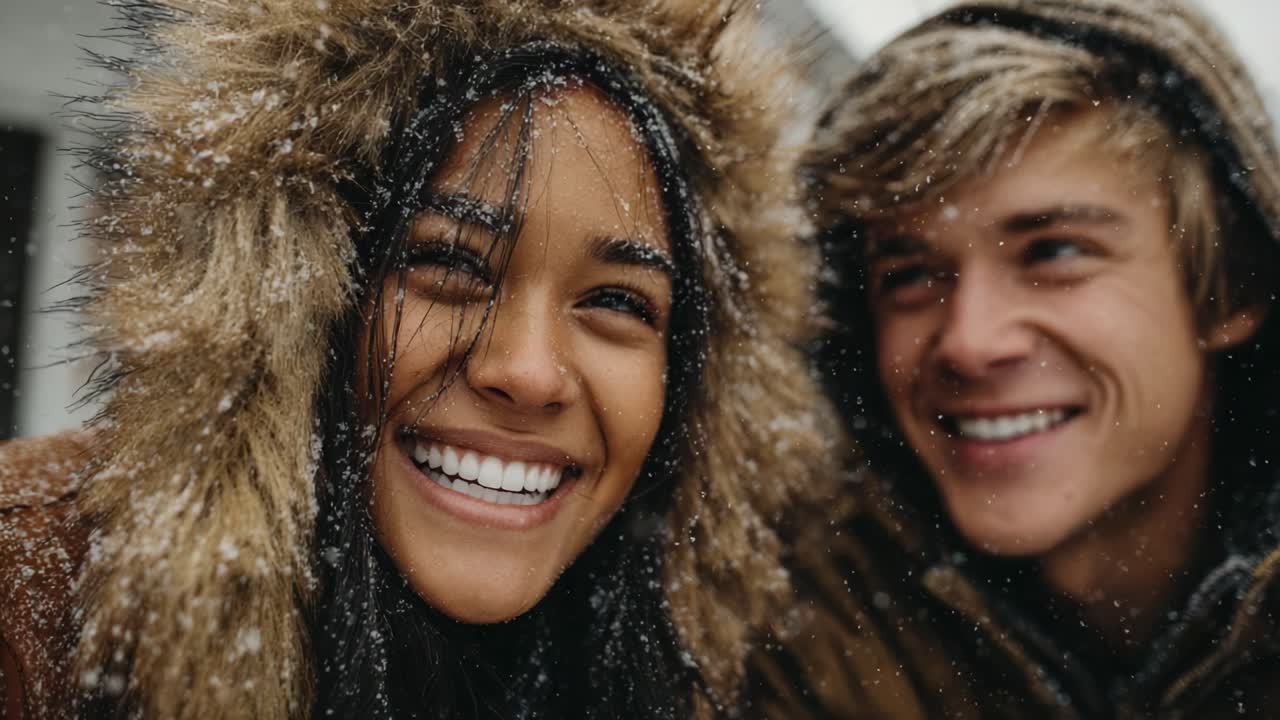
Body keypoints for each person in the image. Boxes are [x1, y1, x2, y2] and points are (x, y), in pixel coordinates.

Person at [0, 1, 842, 718]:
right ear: (293, 302)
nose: (527, 370)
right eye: (449, 265)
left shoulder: (725, 677)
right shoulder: (28, 609)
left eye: (617, 302)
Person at [749, 0, 1280, 718]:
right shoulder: (786, 642)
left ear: (1231, 285)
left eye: (1054, 252)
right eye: (911, 275)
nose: (970, 341)